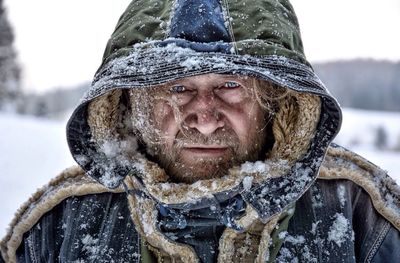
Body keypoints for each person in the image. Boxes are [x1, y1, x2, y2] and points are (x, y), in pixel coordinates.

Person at [1, 0, 400, 262]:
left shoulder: (363, 216)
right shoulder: (59, 225)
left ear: (277, 99)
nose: (205, 119)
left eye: (230, 86)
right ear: (130, 102)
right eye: (178, 88)